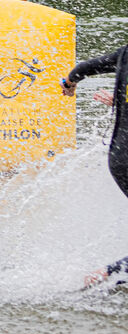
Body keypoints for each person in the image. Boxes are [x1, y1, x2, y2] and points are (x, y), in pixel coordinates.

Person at [62, 46, 128, 286]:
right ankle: (108, 274)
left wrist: (68, 83)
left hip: (119, 160)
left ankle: (113, 276)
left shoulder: (125, 53)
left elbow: (83, 69)